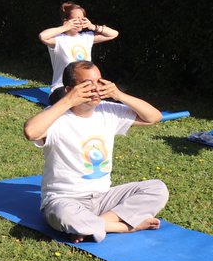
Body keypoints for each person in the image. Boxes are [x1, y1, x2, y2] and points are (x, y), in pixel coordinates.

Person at [23, 60, 167, 243]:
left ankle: (93, 225)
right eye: (87, 84)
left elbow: (154, 117)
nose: (96, 88)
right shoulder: (57, 117)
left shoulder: (108, 111)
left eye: (98, 82)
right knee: (63, 215)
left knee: (157, 189)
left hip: (104, 198)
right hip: (66, 200)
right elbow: (30, 131)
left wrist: (118, 94)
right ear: (70, 90)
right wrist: (67, 101)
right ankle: (124, 226)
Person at [38, 2, 119, 91]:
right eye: (76, 19)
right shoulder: (58, 39)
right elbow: (43, 36)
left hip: (88, 86)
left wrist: (93, 26)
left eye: (82, 18)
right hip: (63, 87)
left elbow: (114, 34)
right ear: (66, 20)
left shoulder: (87, 37)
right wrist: (65, 27)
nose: (80, 22)